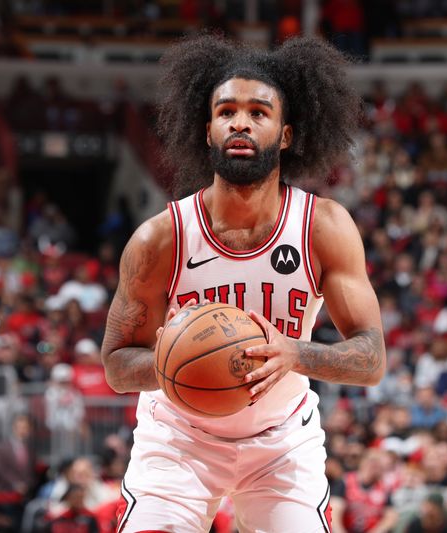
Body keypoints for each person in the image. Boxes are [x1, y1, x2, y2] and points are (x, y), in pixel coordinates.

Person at [100, 35, 386, 532]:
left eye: (259, 112)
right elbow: (117, 366)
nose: (240, 122)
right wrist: (179, 365)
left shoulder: (324, 228)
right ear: (207, 129)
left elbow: (372, 357)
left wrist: (295, 354)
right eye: (226, 110)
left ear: (287, 134)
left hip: (281, 444)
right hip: (179, 439)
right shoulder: (160, 238)